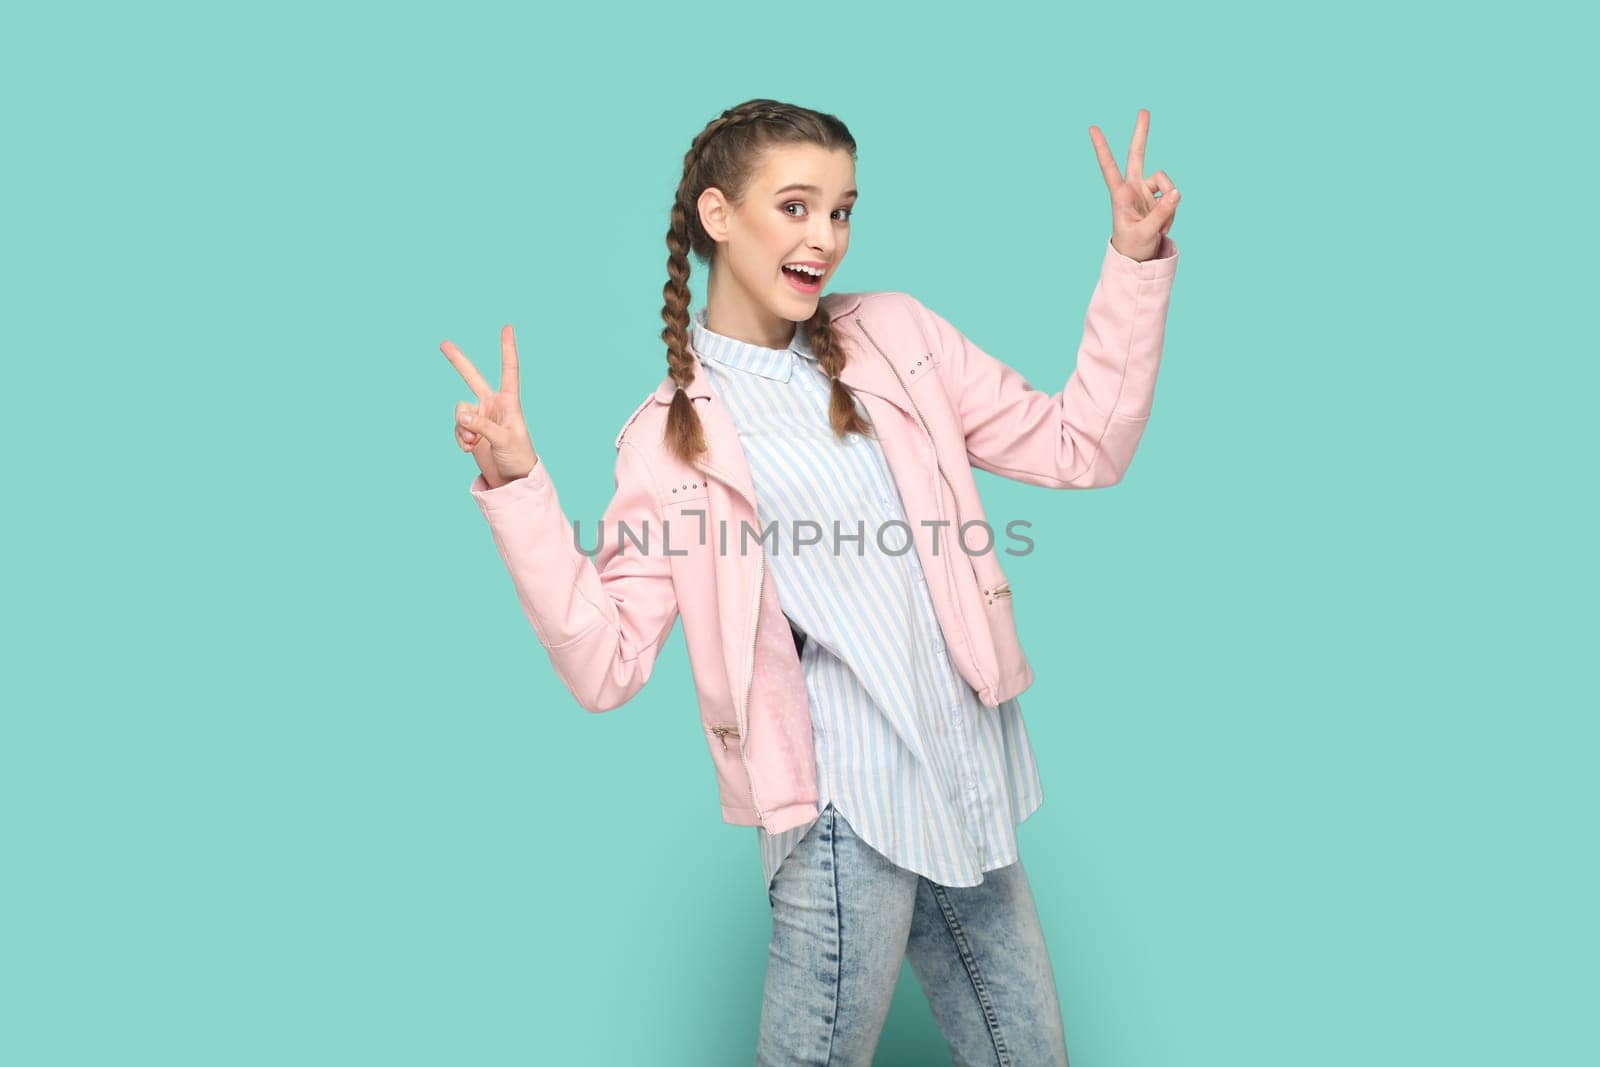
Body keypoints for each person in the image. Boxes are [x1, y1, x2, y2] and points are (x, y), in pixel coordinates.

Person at [441, 98, 1180, 1066]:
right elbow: (604, 660)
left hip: (964, 775)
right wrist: (517, 483)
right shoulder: (668, 438)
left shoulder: (896, 336)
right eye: (794, 206)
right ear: (717, 216)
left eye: (841, 210)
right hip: (844, 811)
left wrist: (1131, 263)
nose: (823, 237)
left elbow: (1083, 445)